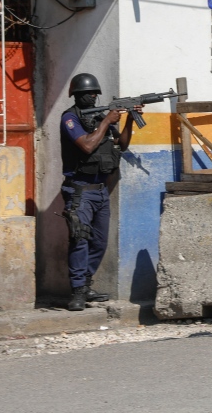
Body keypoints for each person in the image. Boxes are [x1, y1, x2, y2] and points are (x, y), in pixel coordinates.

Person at [60, 73, 143, 311]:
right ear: (78, 95)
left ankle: (86, 285)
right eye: (90, 93)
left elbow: (122, 144)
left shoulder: (99, 116)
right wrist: (107, 121)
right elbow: (86, 145)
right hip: (79, 190)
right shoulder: (70, 119)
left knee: (99, 242)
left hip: (100, 190)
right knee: (79, 240)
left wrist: (128, 118)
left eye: (96, 93)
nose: (95, 96)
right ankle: (76, 292)